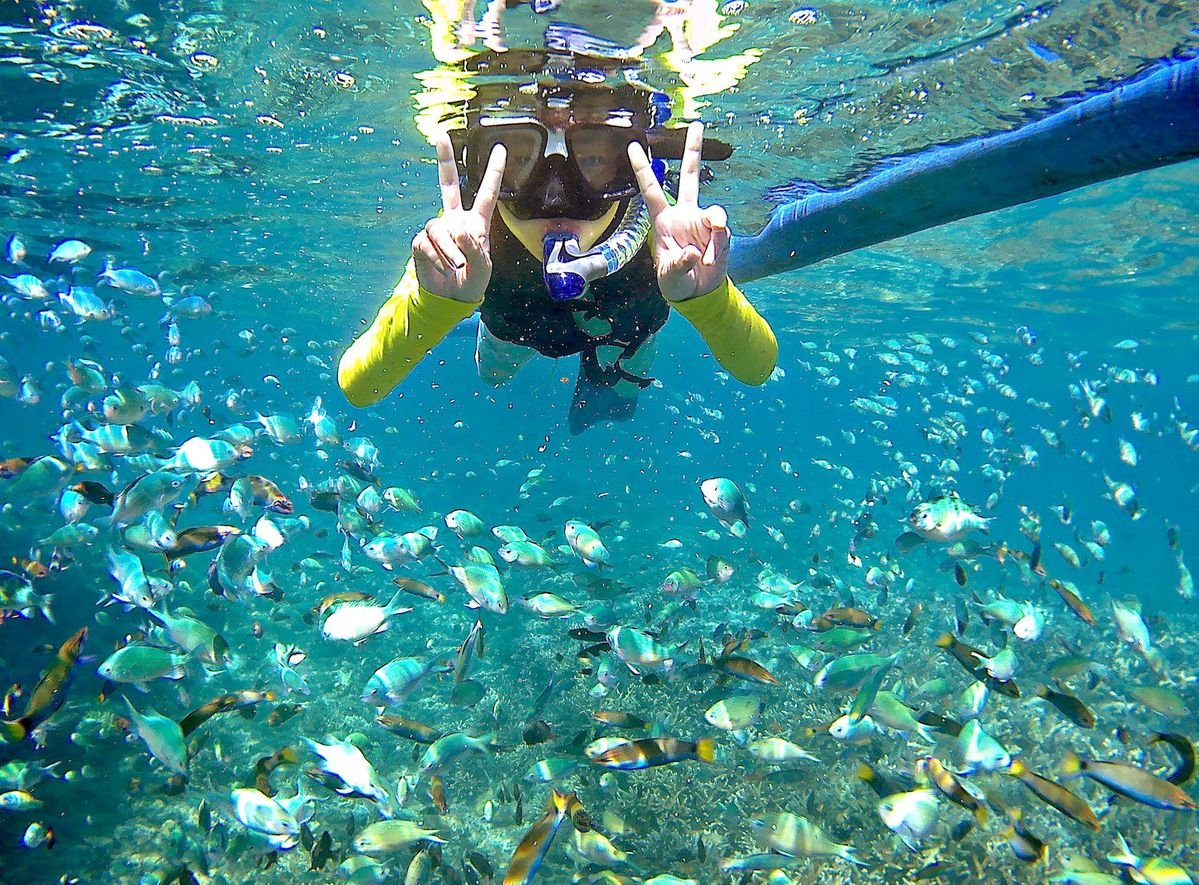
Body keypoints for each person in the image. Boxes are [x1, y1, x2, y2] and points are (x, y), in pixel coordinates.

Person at [337, 54, 777, 434]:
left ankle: (607, 378)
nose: (554, 197)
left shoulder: (668, 235)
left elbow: (757, 368)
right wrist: (436, 304)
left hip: (631, 330)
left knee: (630, 369)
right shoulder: (462, 240)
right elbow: (360, 386)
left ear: (631, 168)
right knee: (493, 376)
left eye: (593, 160)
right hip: (513, 332)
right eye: (516, 160)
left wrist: (708, 300)